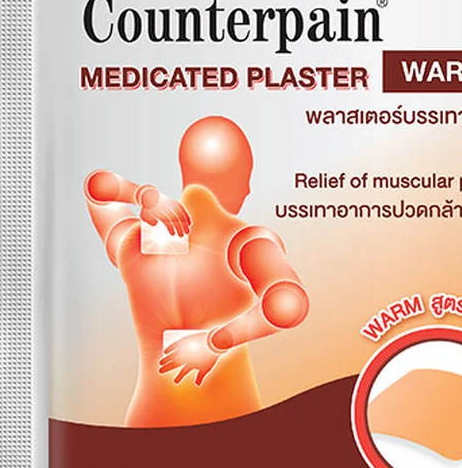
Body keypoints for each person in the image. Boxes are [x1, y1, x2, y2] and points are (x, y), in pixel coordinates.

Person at [84, 116, 309, 427]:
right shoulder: (241, 242)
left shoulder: (136, 243)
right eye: (246, 177)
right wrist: (216, 342)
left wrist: (143, 195)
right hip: (230, 427)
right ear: (240, 178)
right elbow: (287, 304)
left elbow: (98, 189)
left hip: (147, 424)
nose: (248, 190)